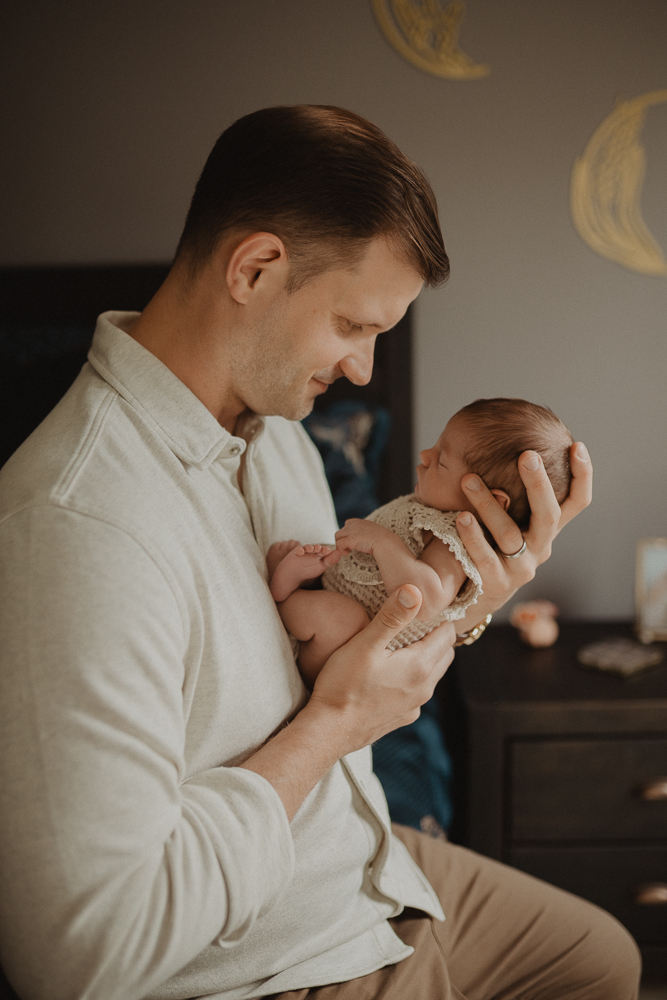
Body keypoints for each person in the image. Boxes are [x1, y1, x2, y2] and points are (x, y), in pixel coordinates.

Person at [0, 106, 638, 1000]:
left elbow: (363, 642)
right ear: (255, 269)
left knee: (602, 958)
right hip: (273, 957)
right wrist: (335, 724)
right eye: (354, 326)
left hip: (361, 854)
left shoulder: (278, 435)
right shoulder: (80, 524)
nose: (364, 371)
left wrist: (467, 600)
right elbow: (79, 957)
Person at [268, 397, 573, 683]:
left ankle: (284, 600)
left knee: (341, 617)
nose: (425, 456)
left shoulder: (457, 542)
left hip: (340, 658)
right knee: (318, 563)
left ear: (489, 500)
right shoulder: (427, 511)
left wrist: (382, 543)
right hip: (337, 591)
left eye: (441, 461)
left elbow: (426, 600)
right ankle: (295, 587)